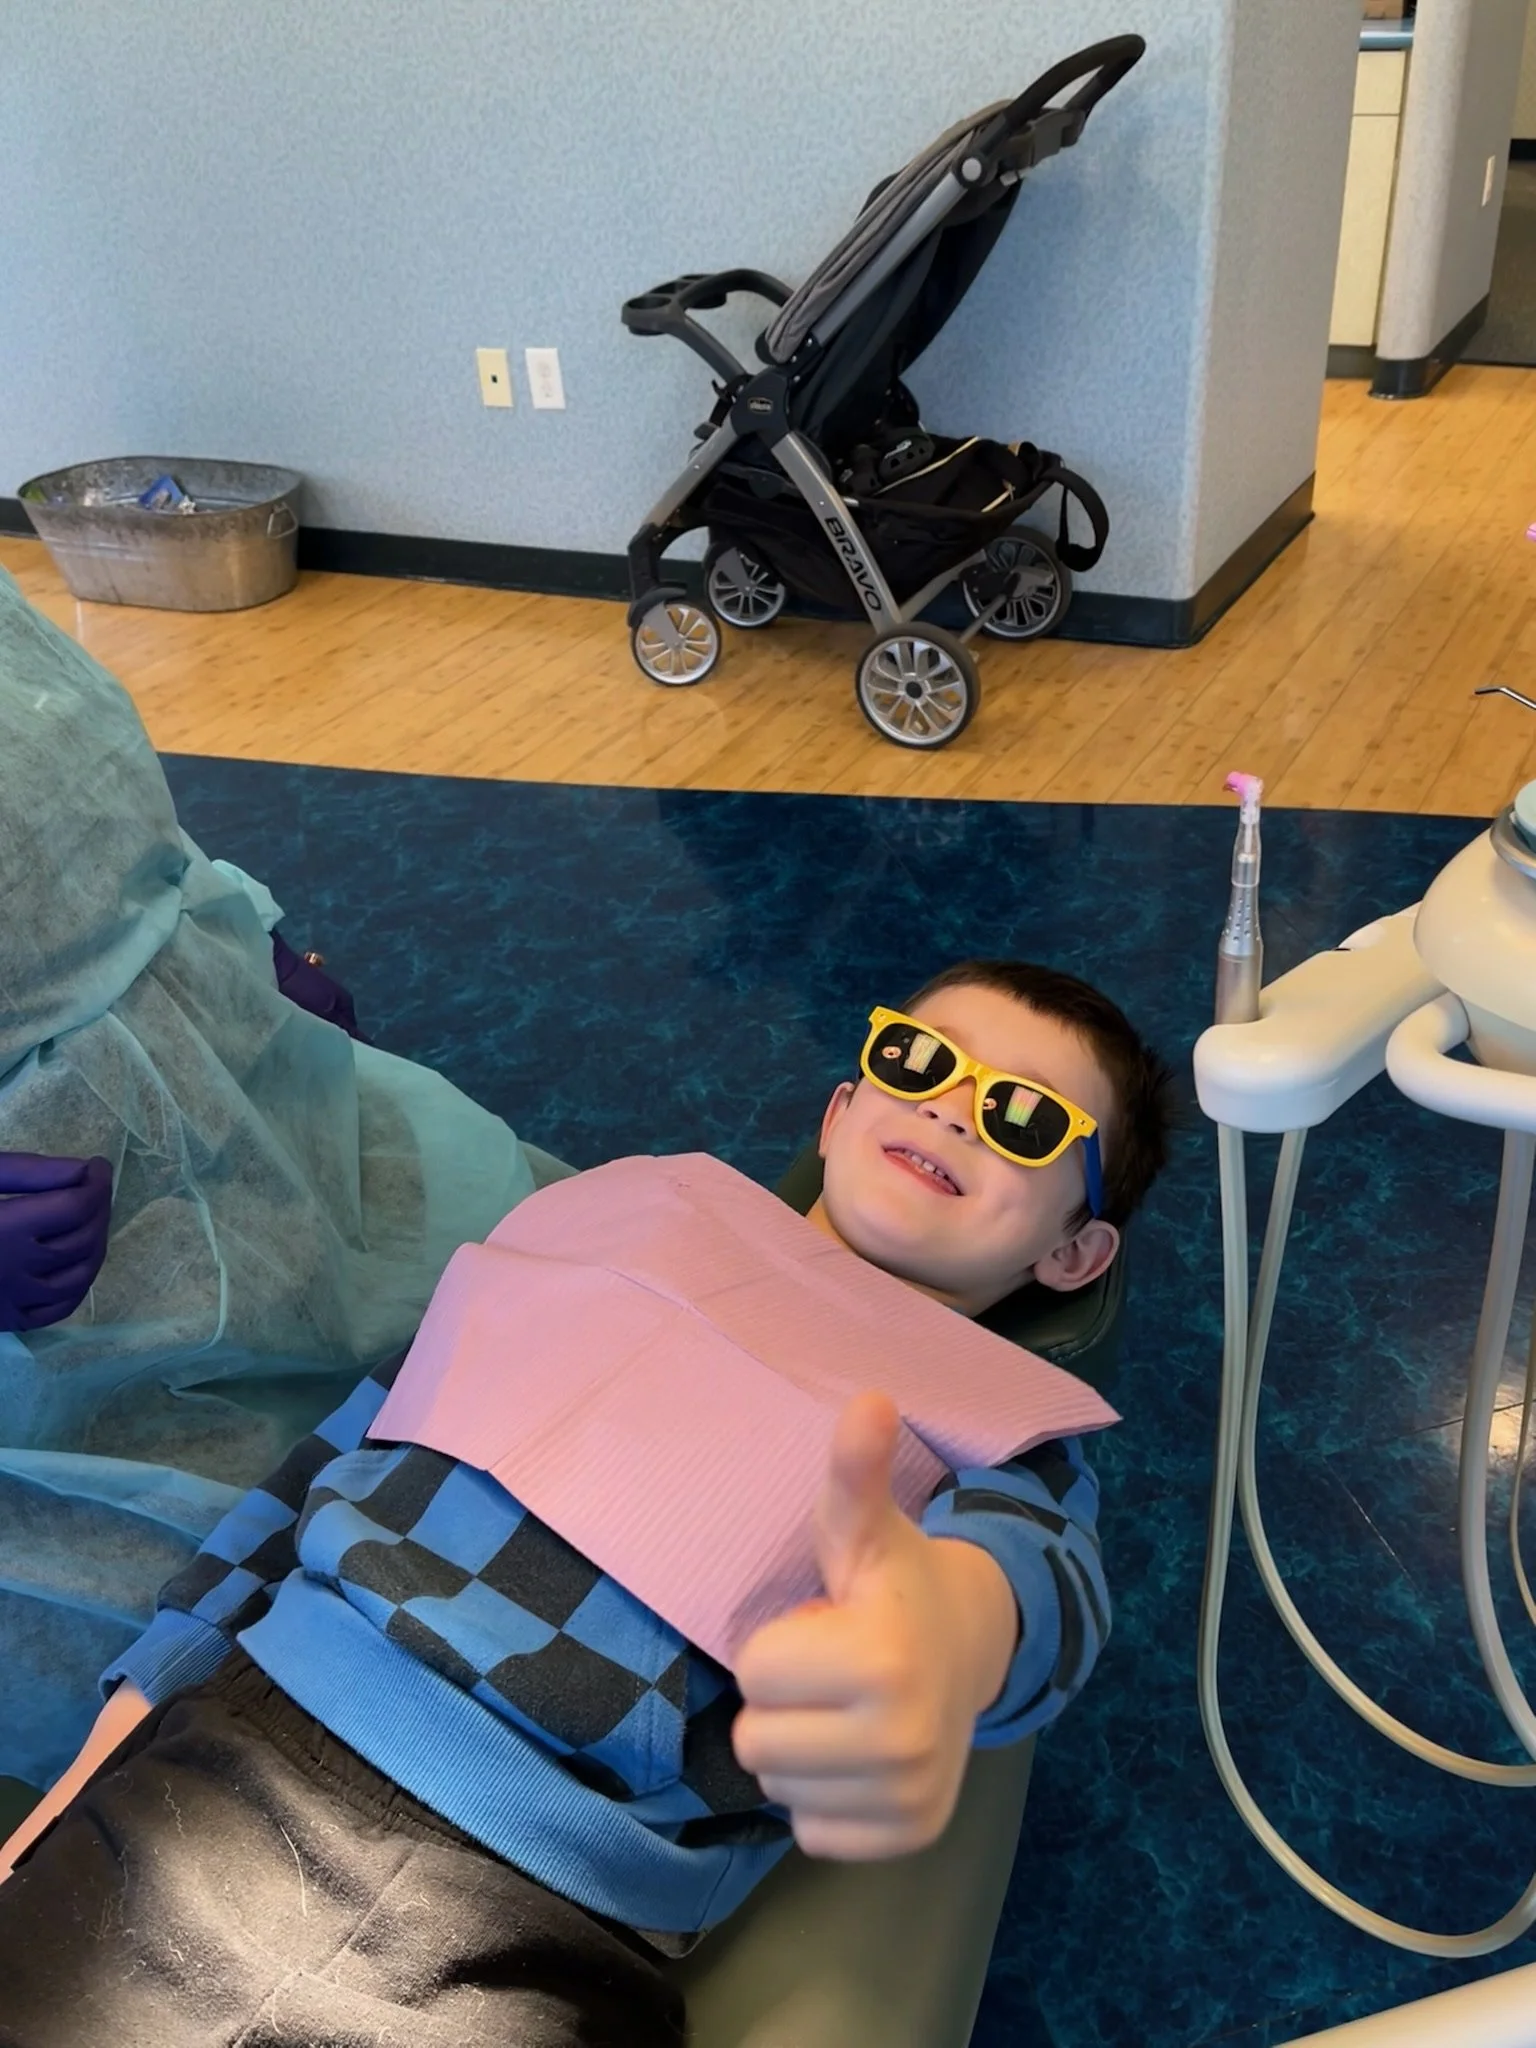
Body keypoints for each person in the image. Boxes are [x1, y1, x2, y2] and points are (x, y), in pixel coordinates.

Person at [0, 960, 1174, 2048]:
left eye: (1024, 1117)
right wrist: (104, 1754)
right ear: (838, 1113)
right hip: (236, 1745)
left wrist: (949, 1635)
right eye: (919, 1062)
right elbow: (330, 1458)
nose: (953, 1109)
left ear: (1074, 1257)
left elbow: (1040, 1584)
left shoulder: (1004, 1430)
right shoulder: (623, 1221)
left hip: (527, 1899)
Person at [0, 566, 540, 1787]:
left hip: (239, 1092)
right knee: (224, 1605)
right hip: (54, 1366)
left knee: (504, 1271)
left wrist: (222, 922)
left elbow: (70, 786)